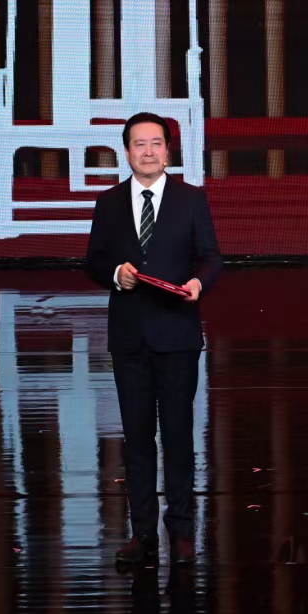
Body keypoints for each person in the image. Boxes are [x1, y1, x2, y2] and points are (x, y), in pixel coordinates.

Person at [85, 113, 222, 567]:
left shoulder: (191, 199)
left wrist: (198, 284)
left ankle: (180, 530)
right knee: (138, 438)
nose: (148, 151)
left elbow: (210, 258)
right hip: (130, 338)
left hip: (177, 334)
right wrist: (115, 274)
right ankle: (142, 534)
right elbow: (93, 261)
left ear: (168, 150)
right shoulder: (108, 203)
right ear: (126, 152)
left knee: (178, 436)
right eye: (139, 144)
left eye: (156, 143)